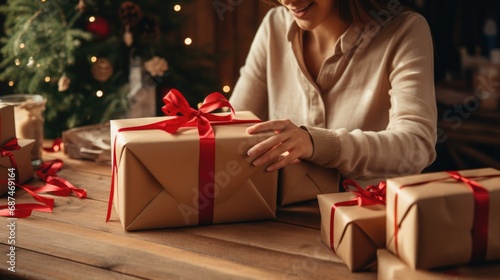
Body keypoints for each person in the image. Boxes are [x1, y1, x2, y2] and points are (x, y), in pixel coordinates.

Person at [229, 0, 437, 182]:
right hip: (285, 217)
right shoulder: (274, 25)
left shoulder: (405, 30)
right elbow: (234, 125)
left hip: (370, 217)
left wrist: (320, 144)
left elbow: (416, 145)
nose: (286, 0)